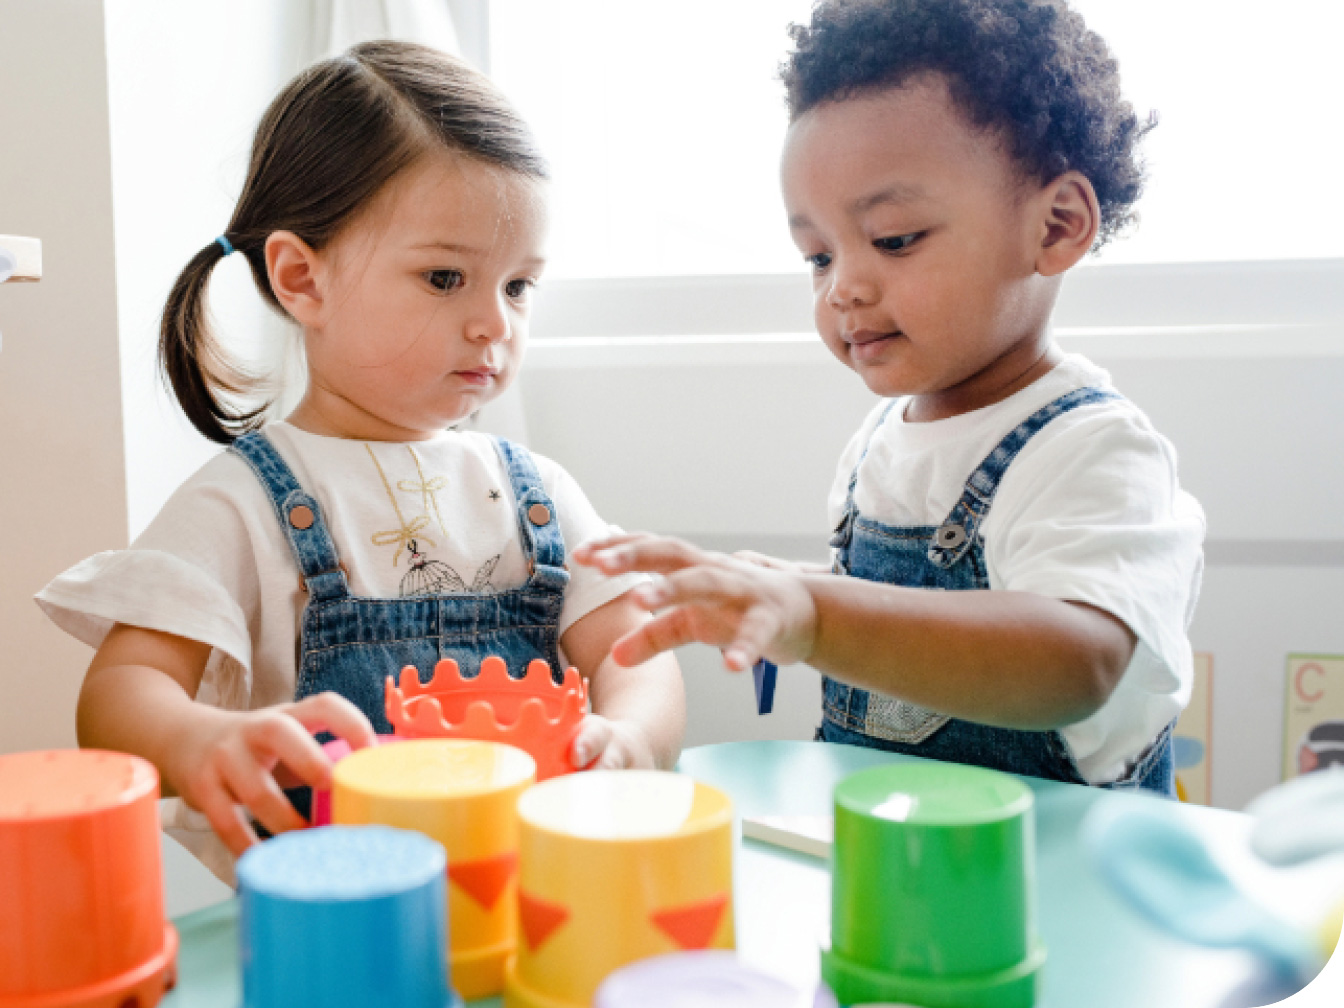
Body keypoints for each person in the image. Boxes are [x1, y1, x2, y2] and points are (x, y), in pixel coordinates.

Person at [37, 40, 683, 880]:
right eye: (445, 278)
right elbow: (121, 694)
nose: (496, 323)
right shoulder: (243, 502)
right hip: (330, 919)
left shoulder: (538, 494)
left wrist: (631, 738)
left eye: (519, 286)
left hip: (525, 902)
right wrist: (200, 739)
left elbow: (638, 653)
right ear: (303, 280)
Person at [577, 0, 1203, 795]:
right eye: (817, 255)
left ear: (1055, 226)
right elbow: (909, 608)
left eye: (894, 239)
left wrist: (817, 612)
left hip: (1058, 859)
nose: (843, 287)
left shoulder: (1094, 451)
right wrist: (782, 590)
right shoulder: (879, 441)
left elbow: (1076, 661)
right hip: (897, 848)